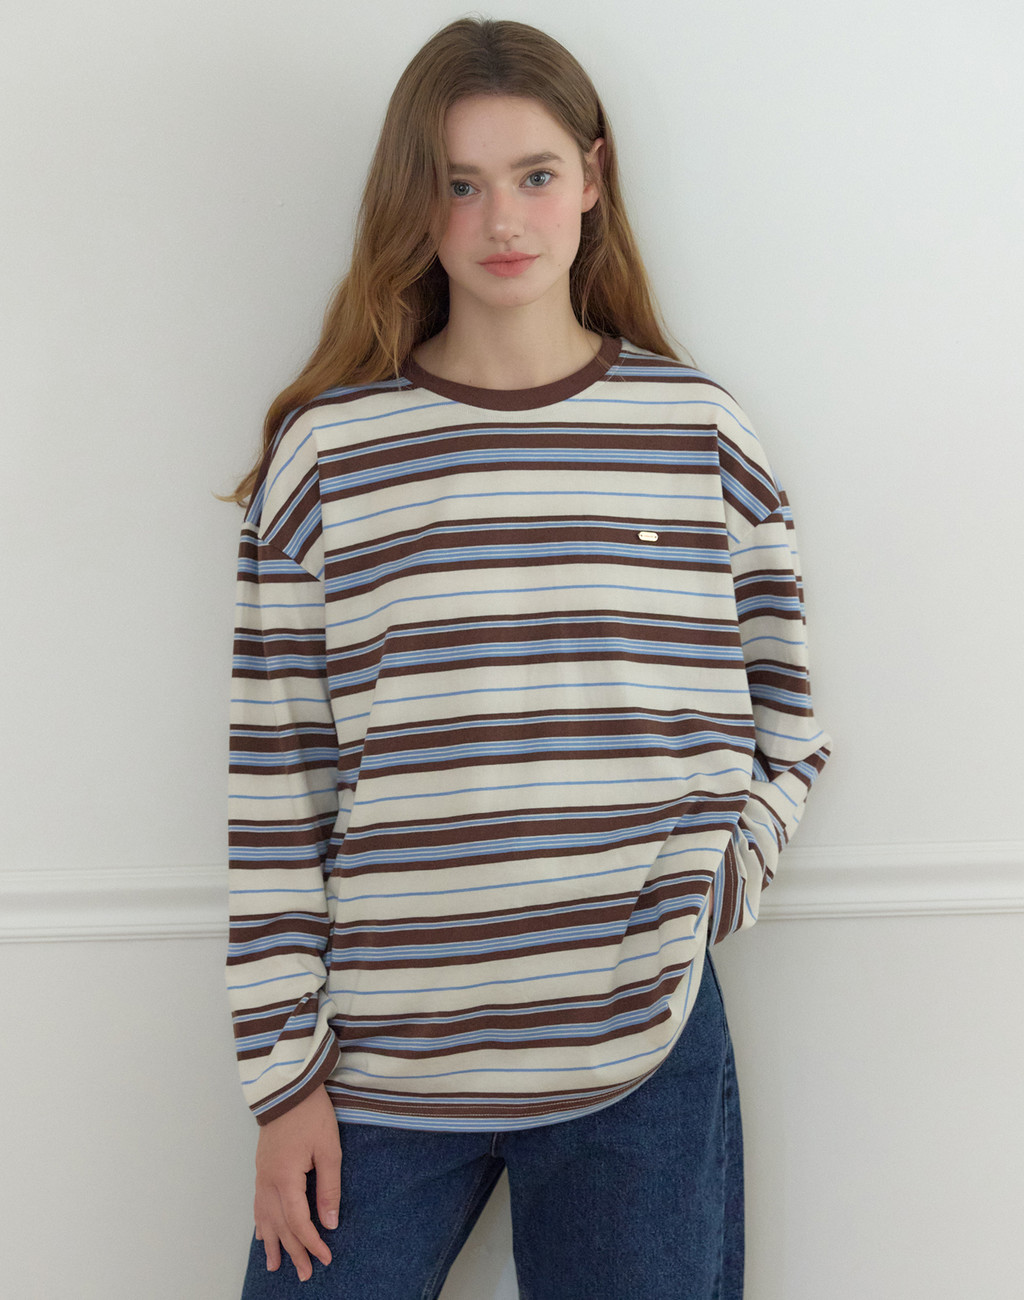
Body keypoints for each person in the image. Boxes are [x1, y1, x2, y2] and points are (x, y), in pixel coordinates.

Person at [226, 17, 830, 1299]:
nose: (501, 218)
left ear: (593, 176)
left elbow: (788, 718)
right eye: (458, 183)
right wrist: (283, 1083)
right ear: (414, 203)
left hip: (639, 1051)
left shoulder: (695, 433)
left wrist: (712, 890)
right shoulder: (330, 458)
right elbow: (280, 787)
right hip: (378, 1069)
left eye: (535, 173)